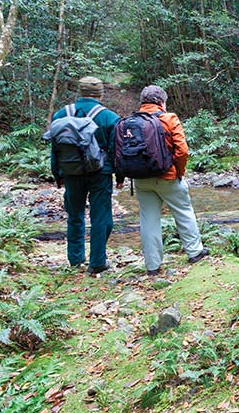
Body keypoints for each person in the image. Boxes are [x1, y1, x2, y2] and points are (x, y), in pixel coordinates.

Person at [119, 85, 208, 276]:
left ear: (143, 102)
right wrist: (179, 173)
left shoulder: (129, 122)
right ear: (162, 102)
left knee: (148, 220)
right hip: (167, 176)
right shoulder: (168, 118)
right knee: (183, 211)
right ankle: (194, 252)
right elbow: (182, 151)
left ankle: (152, 266)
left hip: (141, 179)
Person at [50, 76, 121, 274]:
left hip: (71, 172)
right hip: (100, 173)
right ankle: (97, 261)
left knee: (74, 215)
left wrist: (58, 174)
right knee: (101, 216)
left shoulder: (61, 115)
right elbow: (116, 150)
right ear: (100, 93)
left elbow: (55, 149)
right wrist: (120, 176)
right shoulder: (109, 117)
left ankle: (75, 259)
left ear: (80, 92)